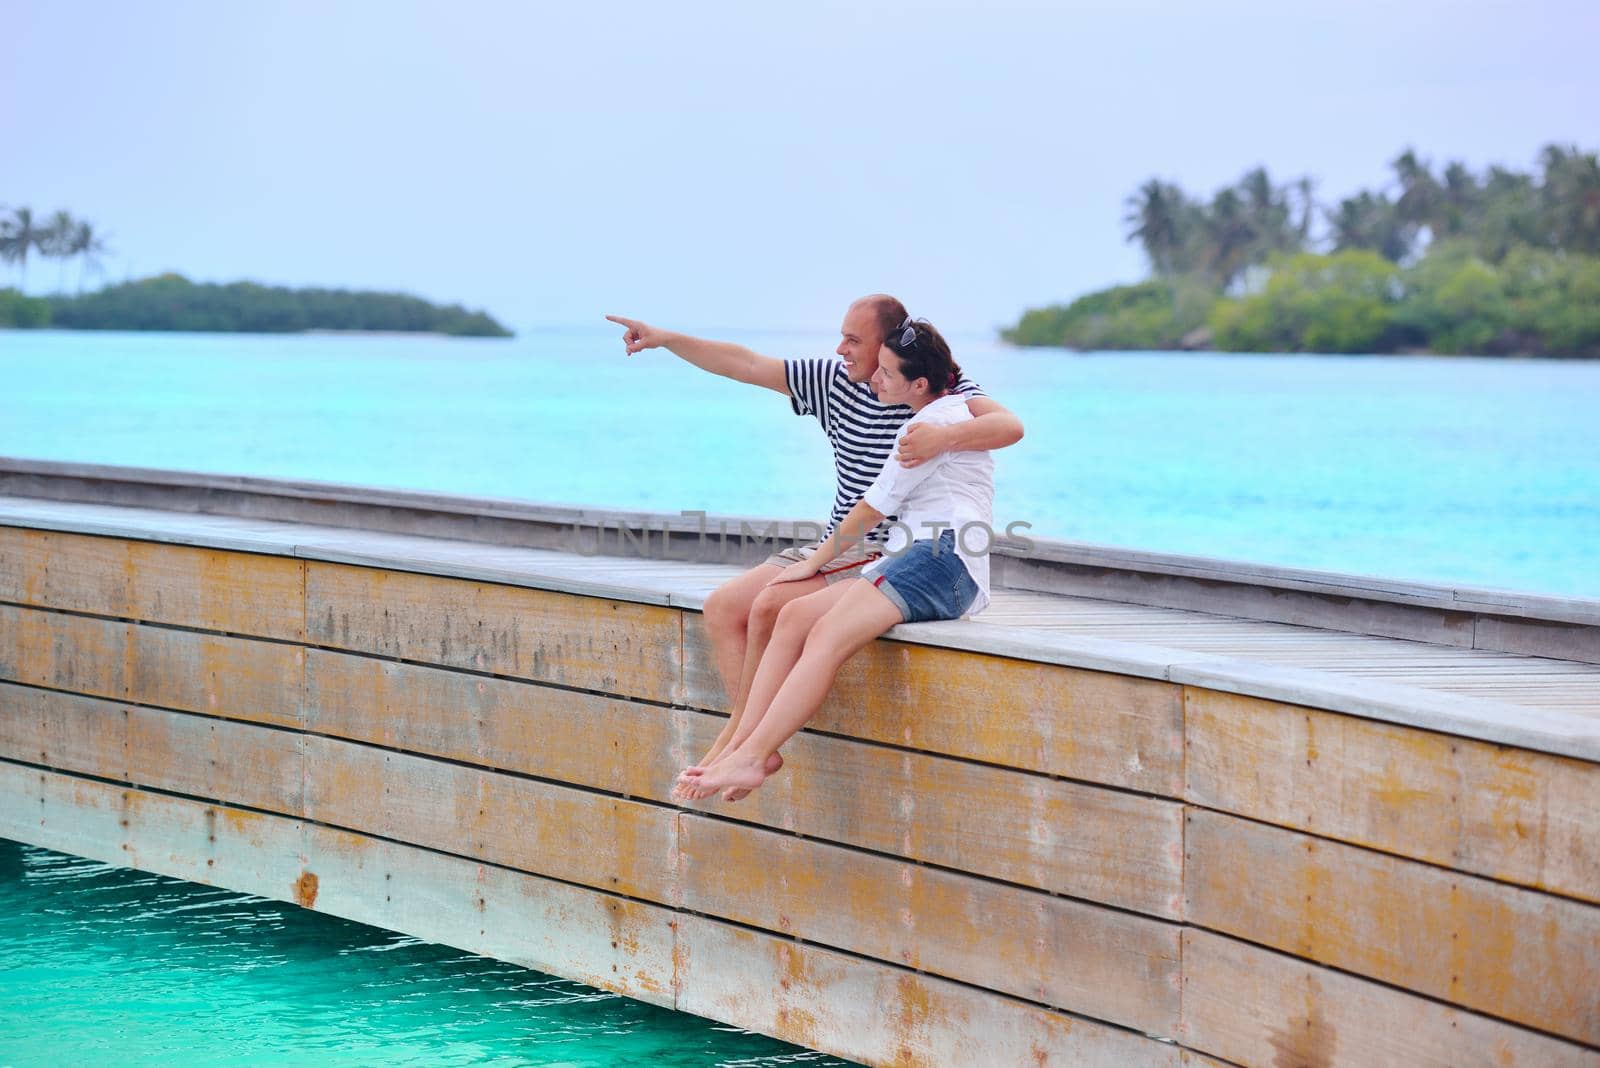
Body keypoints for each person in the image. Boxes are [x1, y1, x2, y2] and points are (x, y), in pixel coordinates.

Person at [604, 298, 1022, 788]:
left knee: (774, 607)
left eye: (854, 341)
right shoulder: (839, 381)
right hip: (851, 541)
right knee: (724, 607)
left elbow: (1006, 427)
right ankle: (742, 739)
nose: (840, 349)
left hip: (888, 546)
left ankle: (745, 746)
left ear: (891, 349)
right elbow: (746, 364)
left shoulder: (932, 397)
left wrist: (942, 440)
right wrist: (667, 338)